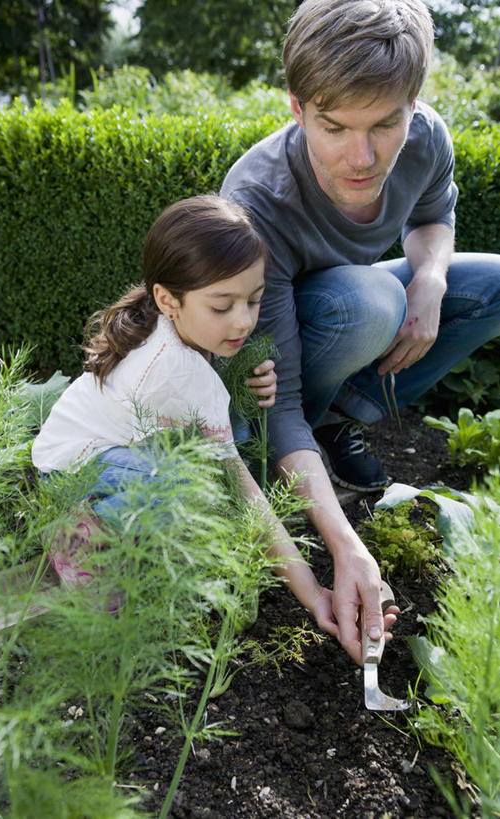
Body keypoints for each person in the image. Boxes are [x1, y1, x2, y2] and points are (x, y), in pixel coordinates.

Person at [221, 0, 500, 660]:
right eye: (334, 126)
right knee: (370, 299)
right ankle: (310, 458)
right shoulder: (254, 200)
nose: (362, 155)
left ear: (412, 105)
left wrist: (429, 278)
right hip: (272, 379)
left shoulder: (425, 137)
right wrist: (346, 545)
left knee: (484, 284)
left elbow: (433, 215)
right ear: (295, 109)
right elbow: (273, 402)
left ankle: (343, 419)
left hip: (352, 321)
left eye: (385, 123)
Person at [32, 195, 397, 650]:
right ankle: (76, 540)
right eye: (222, 307)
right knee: (185, 491)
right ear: (168, 299)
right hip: (73, 471)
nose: (243, 321)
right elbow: (240, 487)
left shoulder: (173, 324)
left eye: (255, 300)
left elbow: (210, 390)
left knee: (221, 448)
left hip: (111, 447)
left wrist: (241, 370)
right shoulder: (175, 375)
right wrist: (311, 592)